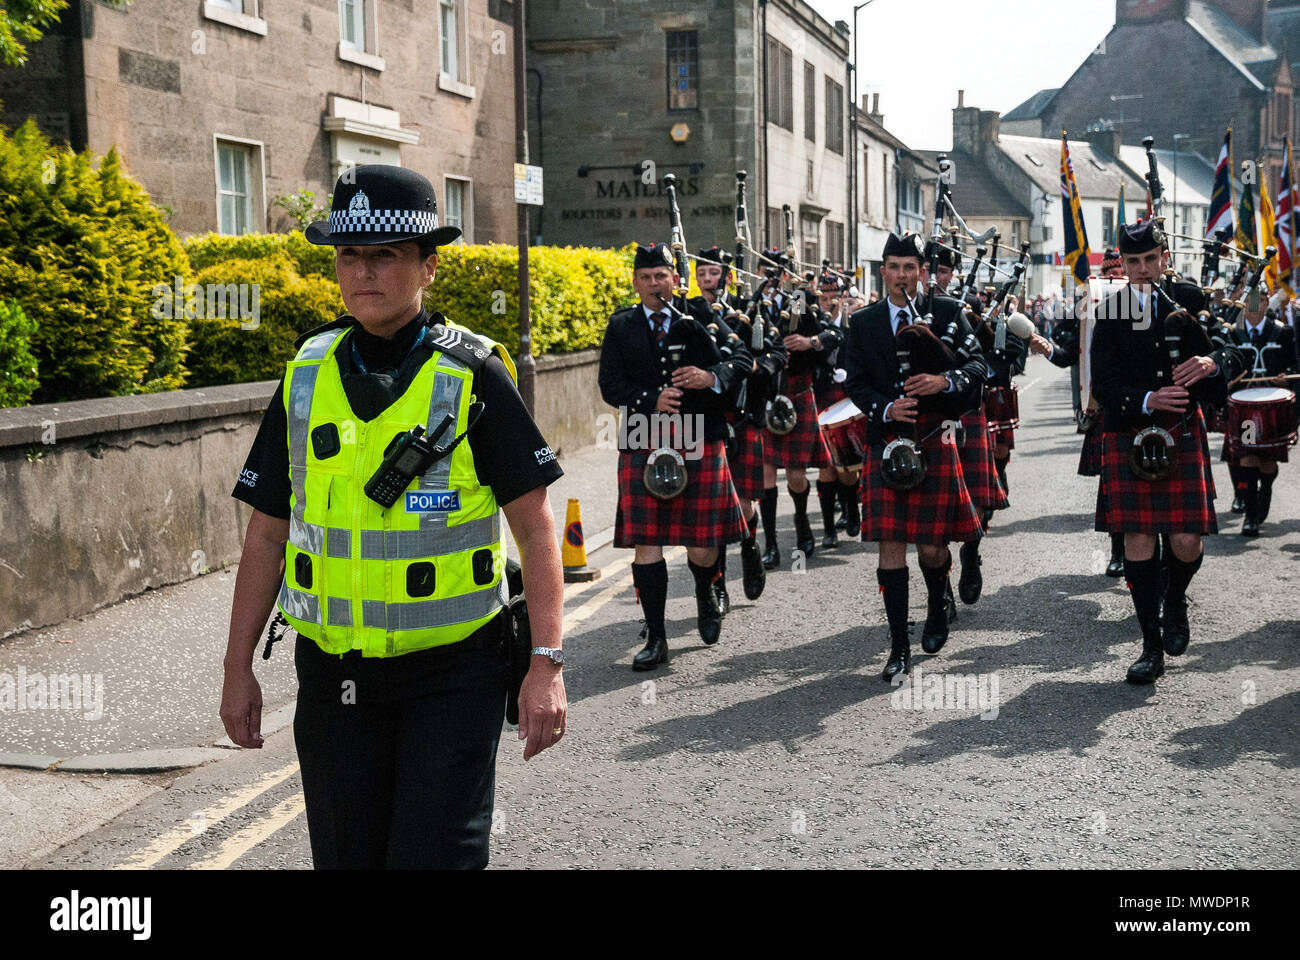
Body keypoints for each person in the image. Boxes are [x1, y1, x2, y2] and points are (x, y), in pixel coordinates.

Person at [221, 165, 567, 870]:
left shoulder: (472, 375)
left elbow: (535, 527)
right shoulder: (306, 375)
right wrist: (237, 667)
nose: (364, 272)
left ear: (428, 266)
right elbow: (266, 532)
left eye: (385, 255)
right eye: (350, 254)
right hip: (333, 676)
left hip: (454, 672)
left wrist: (546, 664)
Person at [1091, 219, 1237, 684]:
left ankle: (1174, 598)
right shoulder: (1109, 311)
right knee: (1138, 539)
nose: (1141, 269)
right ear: (1123, 263)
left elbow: (1233, 350)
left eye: (1150, 259)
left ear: (1164, 257)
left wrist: (1214, 361)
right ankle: (1150, 646)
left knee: (1186, 541)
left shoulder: (1190, 301)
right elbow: (1104, 383)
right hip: (1130, 432)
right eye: (1132, 261)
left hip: (1181, 432)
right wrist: (1147, 399)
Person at [598, 243, 751, 670]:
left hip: (699, 434)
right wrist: (650, 398)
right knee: (646, 542)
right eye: (645, 277)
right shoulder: (622, 325)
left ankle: (707, 586)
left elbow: (742, 358)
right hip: (643, 436)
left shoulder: (701, 317)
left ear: (675, 279)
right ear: (635, 282)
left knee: (702, 545)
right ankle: (657, 636)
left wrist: (710, 376)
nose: (653, 284)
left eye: (661, 276)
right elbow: (610, 385)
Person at [842, 232, 987, 681]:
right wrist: (885, 407)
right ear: (882, 271)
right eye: (894, 267)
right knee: (890, 545)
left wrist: (944, 384)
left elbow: (978, 365)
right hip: (886, 439)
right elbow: (853, 380)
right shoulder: (864, 323)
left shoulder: (944, 312)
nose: (902, 275)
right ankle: (899, 647)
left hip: (933, 436)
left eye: (910, 268)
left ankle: (938, 601)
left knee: (931, 547)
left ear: (922, 272)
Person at [690, 245, 785, 602]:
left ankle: (749, 550)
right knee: (711, 509)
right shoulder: (692, 314)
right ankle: (717, 584)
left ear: (727, 277)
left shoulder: (751, 310)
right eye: (701, 274)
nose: (707, 280)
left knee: (744, 505)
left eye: (712, 273)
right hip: (708, 422)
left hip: (744, 417)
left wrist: (756, 367)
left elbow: (778, 353)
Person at [756, 250, 837, 567]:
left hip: (798, 390)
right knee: (764, 473)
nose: (771, 276)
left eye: (778, 272)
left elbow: (833, 334)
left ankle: (803, 526)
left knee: (795, 476)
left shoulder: (800, 301)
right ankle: (771, 544)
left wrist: (810, 342)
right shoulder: (752, 303)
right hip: (766, 393)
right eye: (766, 270)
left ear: (788, 275)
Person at [1223, 285, 1298, 535]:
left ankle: (1265, 490)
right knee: (1248, 456)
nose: (1255, 303)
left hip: (1274, 407)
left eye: (1261, 298)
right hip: (1245, 410)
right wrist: (1228, 381)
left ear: (1268, 303)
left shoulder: (1282, 332)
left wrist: (1285, 377)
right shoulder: (1232, 333)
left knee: (1267, 461)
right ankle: (1251, 516)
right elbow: (1225, 367)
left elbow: (1294, 366)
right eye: (1251, 298)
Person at [809, 271, 862, 548]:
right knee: (826, 467)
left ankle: (852, 510)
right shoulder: (813, 323)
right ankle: (829, 529)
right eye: (823, 297)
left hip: (848, 397)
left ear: (843, 298)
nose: (828, 302)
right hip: (821, 398)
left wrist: (851, 375)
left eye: (833, 298)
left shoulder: (855, 324)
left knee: (847, 467)